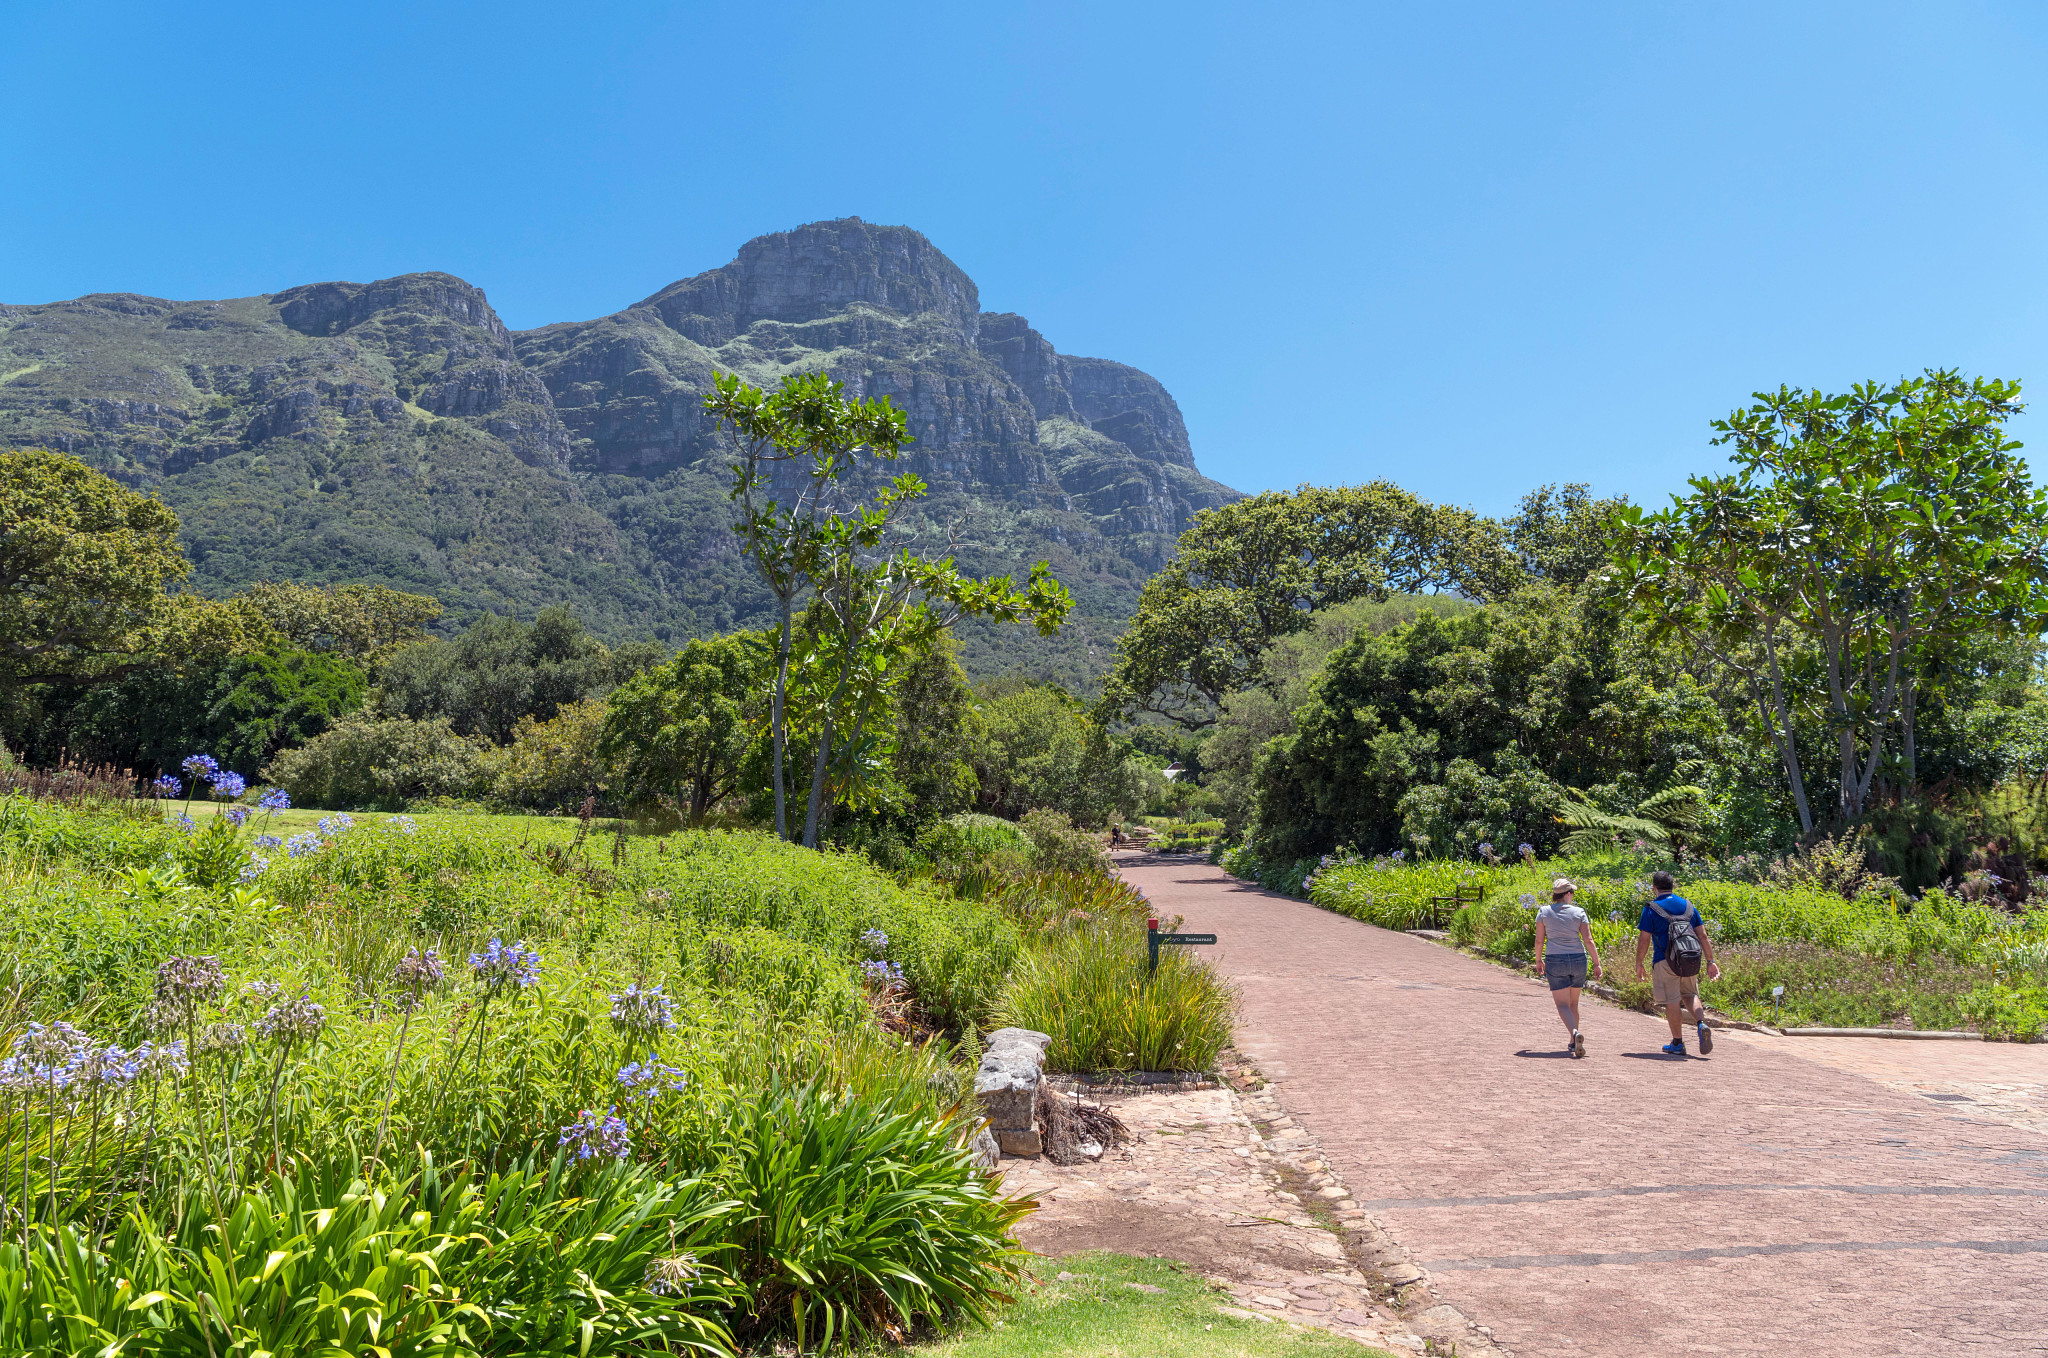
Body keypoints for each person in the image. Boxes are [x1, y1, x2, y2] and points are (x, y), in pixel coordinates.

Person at [1634, 869, 1721, 1056]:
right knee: (1690, 994)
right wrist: (1710, 961)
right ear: (1673, 886)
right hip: (1689, 958)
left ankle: (1678, 1043)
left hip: (1664, 961)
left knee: (1672, 1001)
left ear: (1654, 888)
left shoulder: (1651, 908)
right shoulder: (1688, 906)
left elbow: (1644, 939)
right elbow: (1703, 935)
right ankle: (1701, 1024)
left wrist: (1639, 963)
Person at [1532, 878, 1601, 1057]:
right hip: (1578, 959)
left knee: (1562, 1004)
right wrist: (1597, 963)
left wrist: (1538, 960)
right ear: (1568, 894)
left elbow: (1539, 940)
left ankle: (1575, 1033)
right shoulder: (1579, 912)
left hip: (1555, 959)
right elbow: (1588, 940)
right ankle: (1572, 1042)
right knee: (1573, 1003)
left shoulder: (1544, 912)